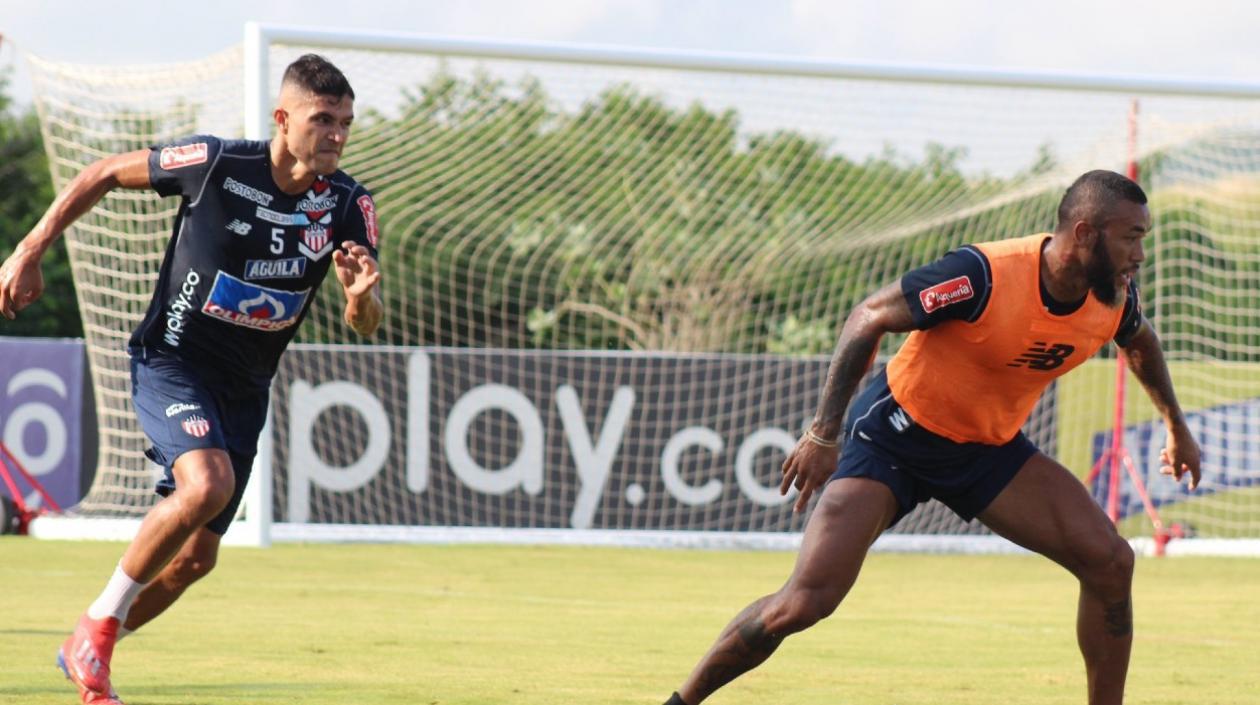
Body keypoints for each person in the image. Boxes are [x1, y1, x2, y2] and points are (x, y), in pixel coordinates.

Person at [662, 170, 1201, 705]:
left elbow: (1141, 343)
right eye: (1132, 237)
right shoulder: (982, 276)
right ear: (1084, 233)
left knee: (1111, 562)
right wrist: (824, 433)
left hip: (986, 451)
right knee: (803, 603)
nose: (1140, 254)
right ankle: (681, 702)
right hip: (894, 438)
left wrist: (1176, 427)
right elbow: (868, 316)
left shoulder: (1112, 301)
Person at [0, 54, 382, 704]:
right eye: (324, 120)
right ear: (283, 119)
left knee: (196, 560)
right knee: (207, 483)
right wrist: (30, 247)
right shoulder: (216, 163)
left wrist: (360, 298)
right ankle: (96, 626)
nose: (337, 135)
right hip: (171, 361)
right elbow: (100, 173)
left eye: (346, 122)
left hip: (245, 390)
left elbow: (367, 322)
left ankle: (91, 642)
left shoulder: (349, 204)